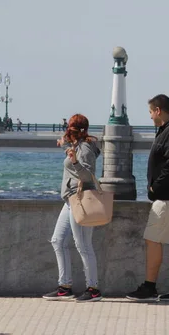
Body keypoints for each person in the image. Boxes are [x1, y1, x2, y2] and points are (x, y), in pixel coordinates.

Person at [127, 94, 169, 302]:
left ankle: (149, 287)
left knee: (153, 239)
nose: (149, 117)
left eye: (150, 112)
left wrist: (155, 187)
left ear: (158, 110)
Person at [43, 114, 102, 302]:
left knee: (83, 245)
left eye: (70, 127)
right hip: (70, 200)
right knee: (57, 241)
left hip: (82, 200)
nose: (67, 130)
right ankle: (64, 287)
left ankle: (93, 289)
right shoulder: (77, 146)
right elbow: (71, 162)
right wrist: (66, 147)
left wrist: (75, 159)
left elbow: (87, 175)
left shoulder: (85, 149)